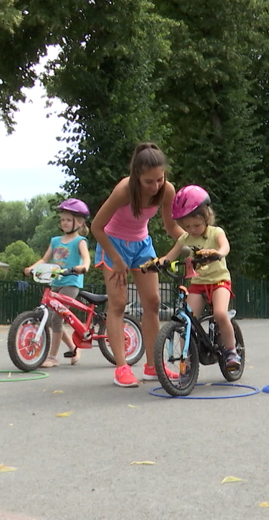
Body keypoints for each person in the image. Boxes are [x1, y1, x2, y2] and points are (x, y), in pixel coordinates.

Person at [92, 142, 185, 387]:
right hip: (113, 244)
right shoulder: (124, 190)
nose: (155, 186)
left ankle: (153, 366)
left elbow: (170, 226)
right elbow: (96, 227)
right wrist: (118, 260)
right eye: (149, 181)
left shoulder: (167, 190)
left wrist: (194, 241)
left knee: (152, 302)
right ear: (137, 176)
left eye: (160, 179)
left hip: (142, 245)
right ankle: (121, 368)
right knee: (118, 304)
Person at [160, 184, 241, 369]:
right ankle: (186, 360)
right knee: (186, 320)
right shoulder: (185, 239)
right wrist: (157, 263)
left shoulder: (216, 232)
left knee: (220, 314)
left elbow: (225, 246)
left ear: (206, 217)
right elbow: (169, 256)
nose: (192, 229)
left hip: (219, 281)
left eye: (196, 225)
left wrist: (219, 253)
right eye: (187, 226)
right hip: (198, 283)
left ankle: (231, 351)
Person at [24, 199, 91, 368]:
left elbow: (86, 258)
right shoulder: (55, 241)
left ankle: (53, 357)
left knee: (56, 317)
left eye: (68, 219)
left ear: (80, 222)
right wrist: (31, 268)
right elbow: (44, 259)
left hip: (71, 282)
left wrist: (84, 267)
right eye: (62, 220)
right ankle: (74, 348)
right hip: (55, 281)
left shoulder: (80, 240)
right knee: (55, 319)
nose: (64, 222)